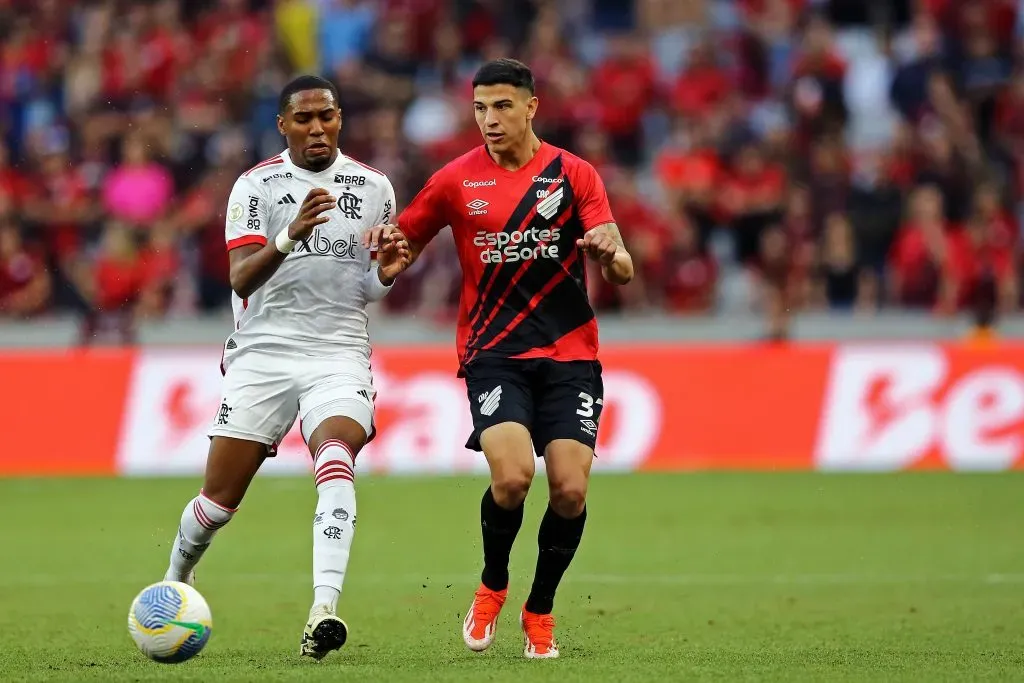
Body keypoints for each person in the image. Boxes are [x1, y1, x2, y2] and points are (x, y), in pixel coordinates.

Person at [366, 58, 634, 659]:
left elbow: (622, 267)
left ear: (532, 107)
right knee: (512, 478)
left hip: (570, 353)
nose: (489, 119)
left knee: (569, 491)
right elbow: (404, 239)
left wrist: (611, 252)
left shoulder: (574, 174)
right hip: (495, 351)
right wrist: (390, 253)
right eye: (480, 108)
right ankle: (492, 586)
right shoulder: (456, 180)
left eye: (503, 106)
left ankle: (539, 610)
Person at [161, 74, 411, 661]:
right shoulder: (257, 186)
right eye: (304, 119)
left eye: (327, 116)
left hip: (338, 351)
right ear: (283, 125)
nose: (317, 127)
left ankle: (323, 611)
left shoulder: (374, 188)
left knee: (335, 458)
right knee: (217, 504)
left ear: (340, 119)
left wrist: (388, 273)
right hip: (263, 354)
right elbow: (241, 277)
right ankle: (176, 579)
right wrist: (288, 235)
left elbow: (365, 289)